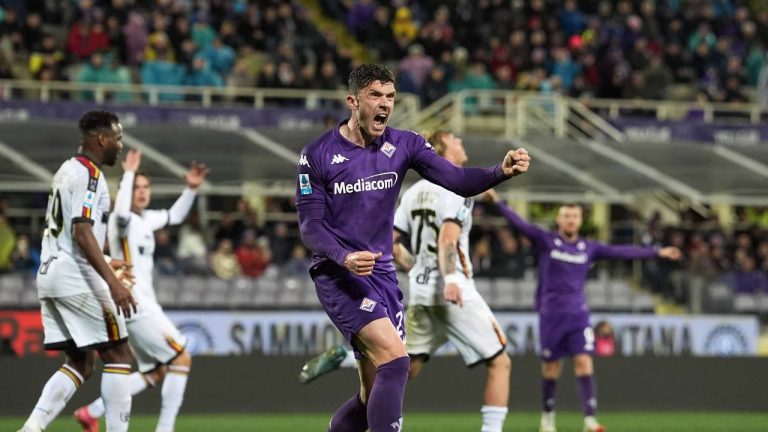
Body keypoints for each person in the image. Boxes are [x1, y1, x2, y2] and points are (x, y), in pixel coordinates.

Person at [296, 64, 530, 432]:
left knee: (368, 394)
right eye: (376, 95)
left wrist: (499, 172)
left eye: (390, 97)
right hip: (338, 273)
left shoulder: (404, 144)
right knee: (396, 360)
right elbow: (310, 226)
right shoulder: (317, 155)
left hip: (383, 276)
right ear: (353, 101)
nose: (385, 104)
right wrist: (343, 256)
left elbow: (458, 179)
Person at [484, 190, 681, 432]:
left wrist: (657, 252)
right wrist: (499, 203)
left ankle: (590, 420)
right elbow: (520, 225)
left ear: (580, 221)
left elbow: (621, 252)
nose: (570, 220)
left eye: (575, 216)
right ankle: (547, 419)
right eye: (566, 215)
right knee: (551, 367)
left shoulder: (588, 248)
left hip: (578, 315)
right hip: (551, 315)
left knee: (584, 362)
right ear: (559, 220)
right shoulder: (546, 240)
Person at [18, 111, 137, 432]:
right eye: (118, 138)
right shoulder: (90, 174)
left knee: (81, 362)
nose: (120, 145)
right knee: (121, 355)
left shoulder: (66, 170)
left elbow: (71, 233)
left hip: (50, 273)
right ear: (102, 139)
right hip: (76, 276)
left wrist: (107, 260)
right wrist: (114, 284)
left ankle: (30, 429)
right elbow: (82, 230)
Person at [74, 150, 208, 432]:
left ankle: (91, 412)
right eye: (137, 188)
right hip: (134, 302)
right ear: (126, 189)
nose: (143, 192)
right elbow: (121, 212)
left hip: (140, 303)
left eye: (146, 188)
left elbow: (174, 215)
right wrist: (129, 173)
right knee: (181, 357)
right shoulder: (121, 222)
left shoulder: (146, 219)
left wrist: (191, 189)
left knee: (157, 370)